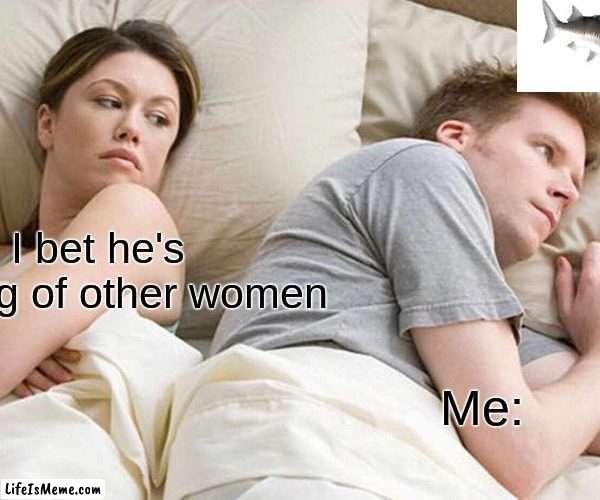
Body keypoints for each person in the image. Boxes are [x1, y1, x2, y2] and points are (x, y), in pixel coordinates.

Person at [210, 61, 600, 498]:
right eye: (546, 152)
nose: (568, 191)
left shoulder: (481, 332)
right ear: (456, 137)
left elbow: (573, 419)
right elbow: (521, 449)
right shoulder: (423, 166)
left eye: (575, 183)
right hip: (308, 441)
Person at [0, 20, 201, 400]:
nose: (131, 128)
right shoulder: (11, 258)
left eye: (158, 119)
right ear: (47, 124)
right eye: (110, 102)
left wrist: (19, 333)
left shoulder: (137, 218)